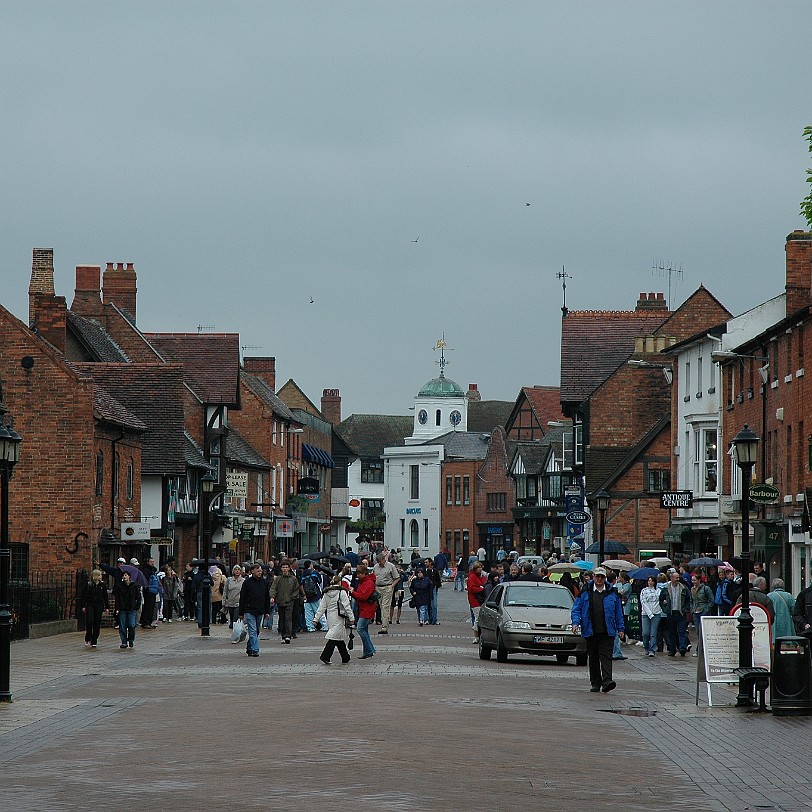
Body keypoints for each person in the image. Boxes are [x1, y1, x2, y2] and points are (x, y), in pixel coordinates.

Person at [571, 567, 625, 692]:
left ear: (605, 578)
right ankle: (595, 682)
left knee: (606, 657)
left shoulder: (613, 593)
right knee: (593, 657)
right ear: (593, 577)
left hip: (607, 631)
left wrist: (621, 628)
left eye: (602, 577)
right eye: (597, 576)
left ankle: (607, 681)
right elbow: (576, 609)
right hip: (590, 630)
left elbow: (618, 612)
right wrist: (575, 623)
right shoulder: (586, 591)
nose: (599, 579)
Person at [314, 576, 354, 664]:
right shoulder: (342, 592)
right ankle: (325, 656)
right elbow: (347, 606)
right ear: (339, 582)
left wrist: (316, 618)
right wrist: (351, 618)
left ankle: (345, 657)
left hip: (330, 617)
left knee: (337, 636)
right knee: (333, 637)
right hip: (339, 617)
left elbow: (322, 606)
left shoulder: (327, 592)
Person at [238, 562, 271, 657]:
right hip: (249, 610)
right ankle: (255, 649)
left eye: (260, 571)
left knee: (256, 631)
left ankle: (250, 647)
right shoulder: (247, 583)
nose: (259, 573)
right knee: (252, 631)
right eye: (257, 571)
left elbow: (266, 597)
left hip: (260, 610)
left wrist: (267, 611)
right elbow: (242, 598)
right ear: (252, 571)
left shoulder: (264, 582)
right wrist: (241, 612)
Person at [660, 569, 690, 656]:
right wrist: (665, 609)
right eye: (676, 578)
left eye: (678, 578)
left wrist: (685, 609)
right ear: (671, 578)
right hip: (671, 612)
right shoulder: (666, 588)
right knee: (671, 632)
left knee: (682, 631)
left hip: (681, 613)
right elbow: (661, 599)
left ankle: (682, 648)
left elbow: (688, 599)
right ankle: (672, 649)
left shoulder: (684, 588)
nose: (678, 579)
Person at [350, 562, 377, 659]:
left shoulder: (368, 583)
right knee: (364, 629)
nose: (358, 575)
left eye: (359, 573)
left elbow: (363, 596)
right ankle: (367, 652)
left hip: (367, 609)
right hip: (364, 608)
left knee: (360, 628)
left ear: (364, 573)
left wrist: (353, 592)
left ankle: (370, 650)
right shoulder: (364, 582)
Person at [271, 560, 300, 644]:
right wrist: (272, 596)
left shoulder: (293, 579)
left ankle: (288, 635)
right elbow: (273, 588)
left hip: (289, 602)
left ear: (289, 568)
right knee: (281, 619)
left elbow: (296, 589)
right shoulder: (278, 579)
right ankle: (283, 635)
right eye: (283, 567)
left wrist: (292, 597)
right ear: (281, 568)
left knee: (288, 619)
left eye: (286, 567)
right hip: (280, 601)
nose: (285, 569)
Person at [79, 569, 109, 648]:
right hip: (90, 605)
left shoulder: (103, 586)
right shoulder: (89, 585)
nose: (101, 576)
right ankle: (88, 637)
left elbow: (105, 597)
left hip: (99, 605)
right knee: (89, 621)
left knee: (97, 622)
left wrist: (107, 607)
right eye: (99, 575)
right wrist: (83, 606)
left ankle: (94, 639)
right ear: (95, 576)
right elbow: (83, 596)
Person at [373, 551, 400, 635]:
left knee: (385, 607)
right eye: (378, 562)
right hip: (378, 588)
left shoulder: (391, 566)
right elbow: (374, 577)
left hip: (387, 587)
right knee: (381, 607)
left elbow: (397, 578)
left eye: (380, 561)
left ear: (384, 559)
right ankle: (384, 623)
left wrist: (391, 586)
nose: (379, 563)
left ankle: (384, 627)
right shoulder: (375, 567)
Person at [113, 571, 142, 650]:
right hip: (122, 608)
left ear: (129, 576)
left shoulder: (134, 586)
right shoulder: (119, 586)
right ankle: (124, 642)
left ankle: (131, 639)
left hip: (131, 608)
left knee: (132, 625)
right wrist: (117, 608)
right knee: (122, 626)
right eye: (123, 575)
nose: (124, 577)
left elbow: (138, 597)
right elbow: (117, 598)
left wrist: (137, 606)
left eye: (126, 575)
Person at [690, 573, 715, 655]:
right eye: (692, 580)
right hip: (695, 612)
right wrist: (692, 609)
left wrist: (706, 609)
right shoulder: (692, 589)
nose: (693, 582)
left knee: (703, 631)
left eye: (695, 580)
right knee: (698, 632)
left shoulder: (706, 588)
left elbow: (711, 600)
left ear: (699, 580)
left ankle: (702, 650)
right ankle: (699, 650)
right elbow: (691, 600)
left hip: (703, 611)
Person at [639, 575, 663, 657]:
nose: (650, 582)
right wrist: (649, 613)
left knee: (653, 633)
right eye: (649, 581)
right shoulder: (644, 591)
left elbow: (660, 601)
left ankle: (652, 649)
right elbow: (643, 602)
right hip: (646, 614)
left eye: (652, 581)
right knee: (645, 633)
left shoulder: (658, 591)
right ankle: (646, 646)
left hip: (656, 614)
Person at [300, 561, 325, 632]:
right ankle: (324, 625)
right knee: (319, 611)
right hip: (315, 594)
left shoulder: (303, 574)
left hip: (307, 596)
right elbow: (320, 581)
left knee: (308, 613)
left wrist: (304, 595)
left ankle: (310, 627)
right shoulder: (315, 573)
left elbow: (301, 585)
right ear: (310, 565)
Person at [467, 562, 487, 644]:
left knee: (478, 618)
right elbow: (471, 588)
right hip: (475, 600)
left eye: (481, 568)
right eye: (479, 568)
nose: (481, 569)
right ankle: (475, 636)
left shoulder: (480, 576)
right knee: (478, 618)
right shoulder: (472, 577)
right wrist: (481, 589)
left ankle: (478, 635)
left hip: (480, 600)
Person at [222, 565, 245, 629]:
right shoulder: (229, 580)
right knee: (231, 619)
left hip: (239, 603)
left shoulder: (243, 581)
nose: (237, 571)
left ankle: (236, 631)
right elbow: (225, 591)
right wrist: (223, 602)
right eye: (235, 569)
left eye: (238, 570)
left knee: (235, 618)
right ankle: (233, 632)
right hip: (230, 602)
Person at [423, 558, 442, 624]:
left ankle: (434, 620)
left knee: (434, 605)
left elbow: (438, 582)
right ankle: (426, 620)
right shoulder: (423, 571)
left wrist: (434, 584)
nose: (425, 564)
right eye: (425, 562)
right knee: (426, 605)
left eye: (426, 562)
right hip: (425, 589)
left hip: (433, 589)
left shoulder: (435, 571)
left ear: (430, 563)